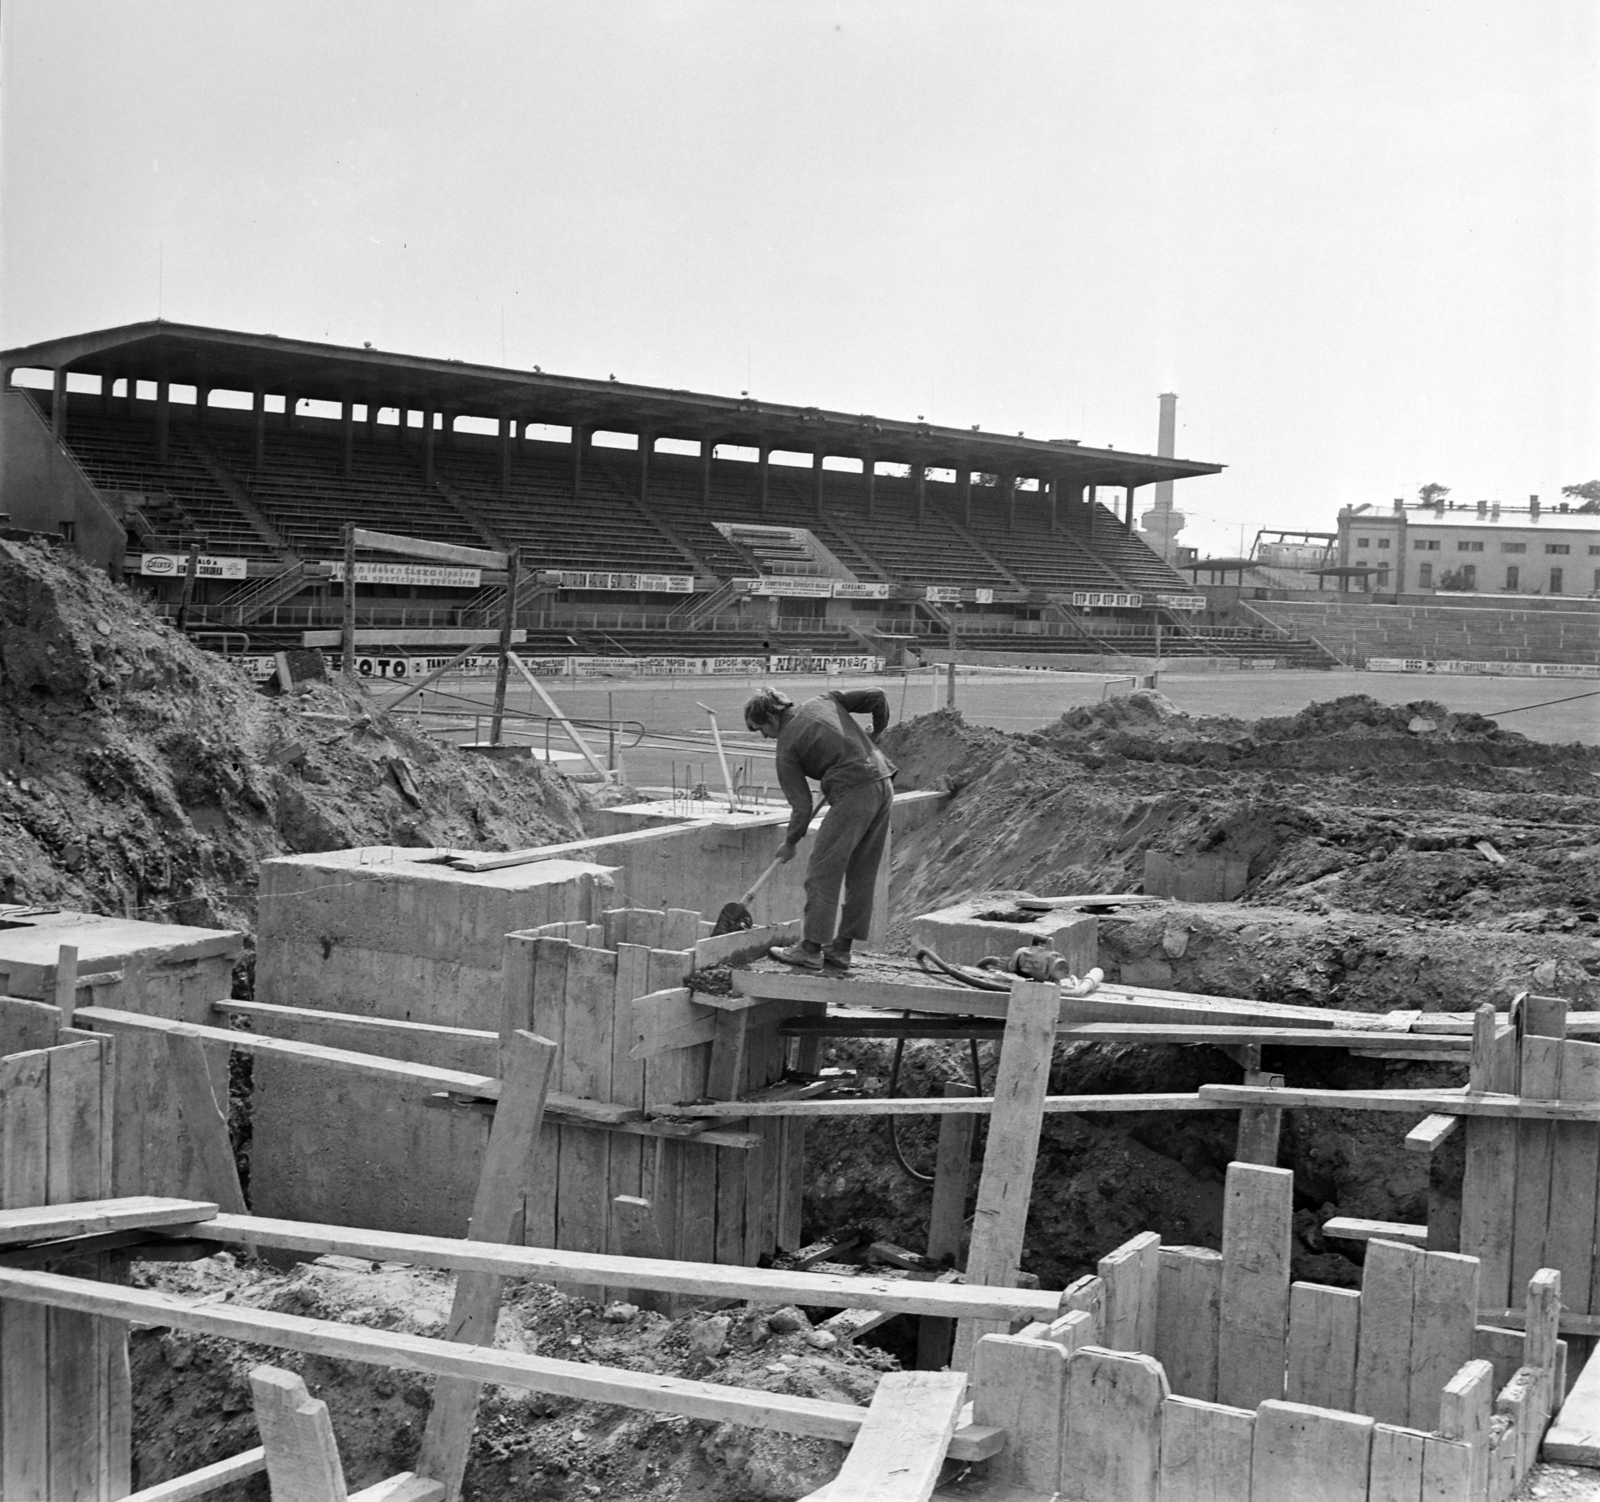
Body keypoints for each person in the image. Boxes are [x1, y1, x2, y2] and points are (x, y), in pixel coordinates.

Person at [743, 685, 896, 971]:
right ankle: (841, 950)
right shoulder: (825, 700)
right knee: (862, 873)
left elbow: (801, 808)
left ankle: (811, 948)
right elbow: (877, 696)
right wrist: (876, 732)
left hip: (853, 792)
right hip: (883, 782)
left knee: (822, 872)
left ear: (772, 719)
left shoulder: (786, 747)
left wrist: (790, 842)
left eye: (760, 729)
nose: (763, 736)